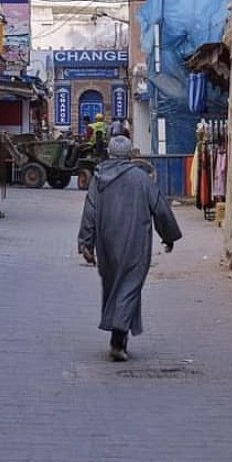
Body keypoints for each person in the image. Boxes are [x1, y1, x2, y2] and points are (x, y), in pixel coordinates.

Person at [77, 134, 182, 361]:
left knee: (114, 285)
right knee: (129, 287)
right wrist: (169, 235)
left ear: (110, 153)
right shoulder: (141, 178)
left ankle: (120, 336)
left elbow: (90, 211)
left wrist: (86, 243)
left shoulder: (99, 178)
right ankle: (118, 338)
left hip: (107, 244)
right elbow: (160, 208)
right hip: (135, 242)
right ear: (129, 156)